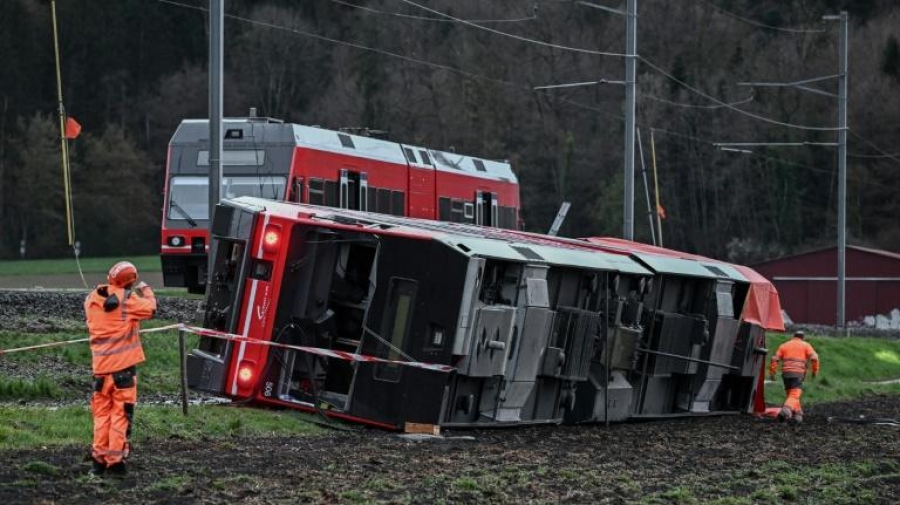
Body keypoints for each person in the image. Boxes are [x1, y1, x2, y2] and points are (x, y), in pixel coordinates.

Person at [84, 261, 156, 476]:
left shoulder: (91, 299)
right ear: (130, 282)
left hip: (100, 371)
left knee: (101, 416)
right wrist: (146, 290)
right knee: (120, 416)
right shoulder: (128, 299)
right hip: (123, 372)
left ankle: (98, 462)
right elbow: (151, 309)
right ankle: (115, 464)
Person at [769, 330, 819, 425]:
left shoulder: (784, 345)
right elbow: (815, 358)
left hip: (786, 375)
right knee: (794, 395)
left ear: (793, 336)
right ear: (803, 337)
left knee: (792, 396)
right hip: (798, 374)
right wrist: (814, 371)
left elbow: (774, 359)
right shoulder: (806, 345)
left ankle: (798, 415)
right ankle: (785, 412)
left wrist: (772, 373)